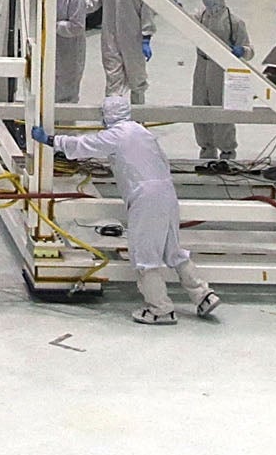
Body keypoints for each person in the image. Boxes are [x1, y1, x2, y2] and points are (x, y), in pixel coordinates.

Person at [35, 96, 216, 324]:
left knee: (145, 256)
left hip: (145, 198)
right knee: (173, 250)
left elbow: (83, 145)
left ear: (108, 115)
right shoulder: (143, 132)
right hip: (167, 193)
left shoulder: (117, 135)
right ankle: (203, 294)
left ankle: (160, 309)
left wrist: (51, 140)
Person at [191, 0, 249, 166]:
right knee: (200, 108)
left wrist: (242, 51)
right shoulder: (200, 16)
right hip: (201, 65)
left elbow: (249, 49)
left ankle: (227, 152)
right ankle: (206, 149)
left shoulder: (234, 22)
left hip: (220, 69)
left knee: (222, 110)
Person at [97, 0, 149, 103]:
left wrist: (147, 36)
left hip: (133, 39)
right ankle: (115, 119)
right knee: (113, 80)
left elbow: (146, 9)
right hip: (110, 37)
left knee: (137, 80)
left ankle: (138, 118)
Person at [52, 0, 91, 104]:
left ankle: (66, 123)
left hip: (70, 49)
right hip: (51, 45)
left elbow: (77, 26)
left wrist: (54, 26)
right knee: (50, 85)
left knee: (68, 87)